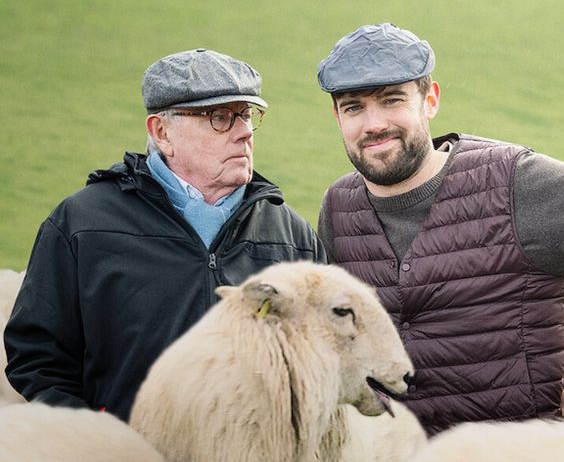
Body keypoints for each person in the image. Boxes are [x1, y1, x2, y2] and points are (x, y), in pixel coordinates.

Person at [4, 48, 326, 421]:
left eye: (247, 115)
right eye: (220, 118)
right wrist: (97, 439)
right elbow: (37, 356)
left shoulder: (292, 235)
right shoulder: (82, 225)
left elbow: (322, 359)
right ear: (162, 132)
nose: (244, 133)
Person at [317, 23, 564, 435]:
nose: (373, 123)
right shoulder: (338, 208)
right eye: (353, 107)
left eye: (392, 100)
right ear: (337, 116)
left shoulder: (515, 183)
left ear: (429, 101)